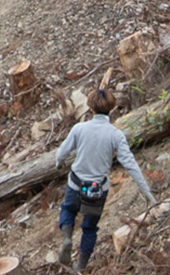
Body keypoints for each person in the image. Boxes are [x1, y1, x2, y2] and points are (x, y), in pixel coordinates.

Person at [54, 88, 157, 272]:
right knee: (90, 228)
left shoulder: (79, 128)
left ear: (91, 107)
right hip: (97, 189)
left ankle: (67, 238)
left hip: (76, 183)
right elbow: (130, 164)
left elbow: (62, 152)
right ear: (111, 108)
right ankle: (80, 266)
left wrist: (58, 163)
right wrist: (148, 193)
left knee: (68, 210)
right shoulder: (115, 134)